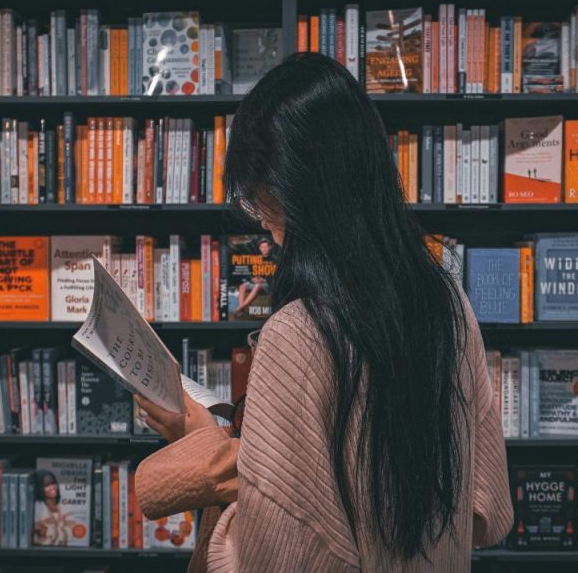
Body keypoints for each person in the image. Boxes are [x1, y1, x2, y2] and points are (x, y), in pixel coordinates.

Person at [134, 52, 512, 572]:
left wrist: (201, 442)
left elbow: (270, 561)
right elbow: (487, 507)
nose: (260, 220)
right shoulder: (447, 303)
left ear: (295, 191)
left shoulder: (296, 335)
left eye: (258, 197)